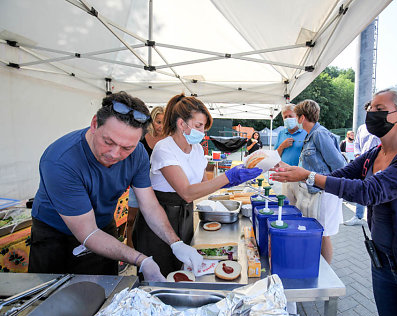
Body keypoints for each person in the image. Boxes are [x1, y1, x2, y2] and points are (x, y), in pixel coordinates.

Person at [271, 87, 397, 316]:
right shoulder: (375, 153)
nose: (371, 114)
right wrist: (293, 171)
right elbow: (342, 175)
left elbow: (370, 192)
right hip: (384, 264)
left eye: (380, 109)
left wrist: (307, 176)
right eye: (370, 108)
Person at [28, 92, 203, 282]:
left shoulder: (138, 155)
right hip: (56, 236)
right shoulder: (61, 161)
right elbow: (87, 232)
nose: (114, 154)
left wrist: (175, 243)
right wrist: (141, 260)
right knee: (53, 301)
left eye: (127, 147)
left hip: (103, 226)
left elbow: (149, 206)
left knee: (104, 291)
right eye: (108, 142)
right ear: (95, 124)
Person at [133, 94, 261, 276]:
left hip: (184, 216)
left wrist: (231, 182)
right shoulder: (164, 148)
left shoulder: (198, 149)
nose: (202, 132)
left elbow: (204, 185)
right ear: (181, 124)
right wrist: (227, 176)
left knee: (183, 271)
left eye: (204, 127)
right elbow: (186, 191)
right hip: (160, 219)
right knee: (160, 275)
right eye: (199, 126)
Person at [284, 99, 346, 264]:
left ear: (302, 117)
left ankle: (325, 271)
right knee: (318, 232)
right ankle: (315, 264)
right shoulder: (310, 136)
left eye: (296, 116)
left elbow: (339, 165)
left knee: (323, 234)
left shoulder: (319, 134)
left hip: (325, 192)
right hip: (316, 190)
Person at [126, 106, 164, 248]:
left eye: (164, 122)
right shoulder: (141, 137)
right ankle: (129, 249)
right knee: (131, 219)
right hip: (138, 184)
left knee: (152, 221)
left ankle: (149, 249)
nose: (161, 126)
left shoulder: (168, 141)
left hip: (157, 186)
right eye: (158, 121)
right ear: (152, 121)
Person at [344, 111, 381, 226]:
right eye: (370, 110)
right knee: (362, 189)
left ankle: (376, 218)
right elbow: (357, 144)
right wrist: (358, 156)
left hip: (378, 163)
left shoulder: (383, 127)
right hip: (364, 163)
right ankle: (358, 216)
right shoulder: (362, 128)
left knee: (376, 190)